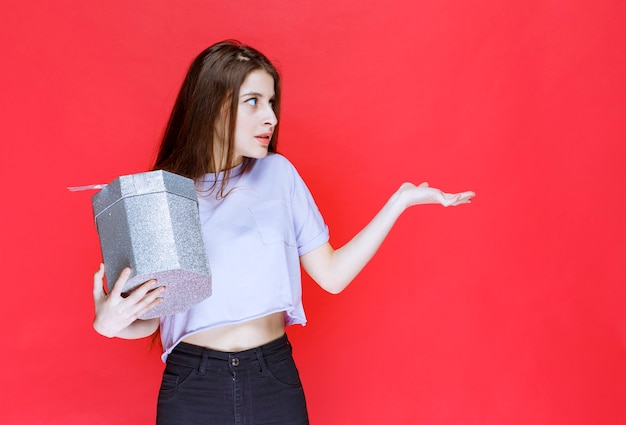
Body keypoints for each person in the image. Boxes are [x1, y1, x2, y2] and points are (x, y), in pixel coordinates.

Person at [92, 40, 475, 424]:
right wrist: (110, 325)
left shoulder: (278, 175)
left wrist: (400, 201)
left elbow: (333, 276)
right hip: (193, 384)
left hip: (271, 376)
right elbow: (157, 313)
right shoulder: (165, 192)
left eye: (271, 102)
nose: (271, 118)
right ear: (213, 106)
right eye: (254, 101)